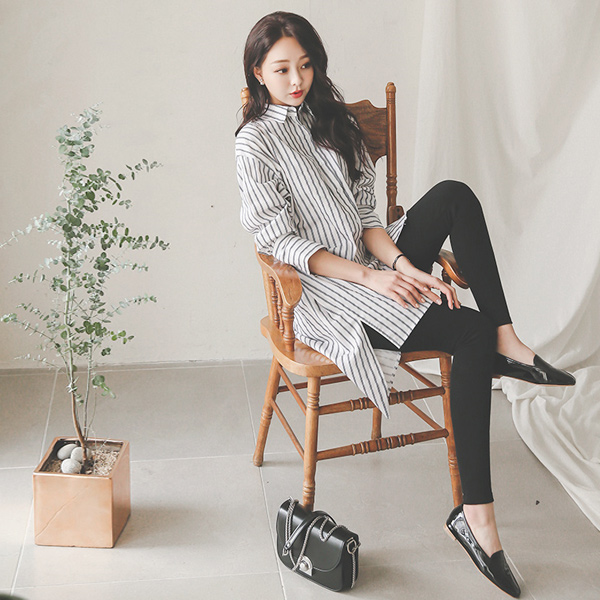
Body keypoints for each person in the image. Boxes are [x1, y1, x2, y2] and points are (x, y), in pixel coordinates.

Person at [234, 11, 575, 598]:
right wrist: (372, 282)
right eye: (282, 69)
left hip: (371, 259)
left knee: (454, 196)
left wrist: (402, 267)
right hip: (326, 288)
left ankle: (508, 338)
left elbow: (369, 220)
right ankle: (477, 519)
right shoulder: (254, 142)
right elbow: (282, 243)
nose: (297, 80)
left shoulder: (333, 120)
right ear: (258, 72)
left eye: (306, 66)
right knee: (468, 334)